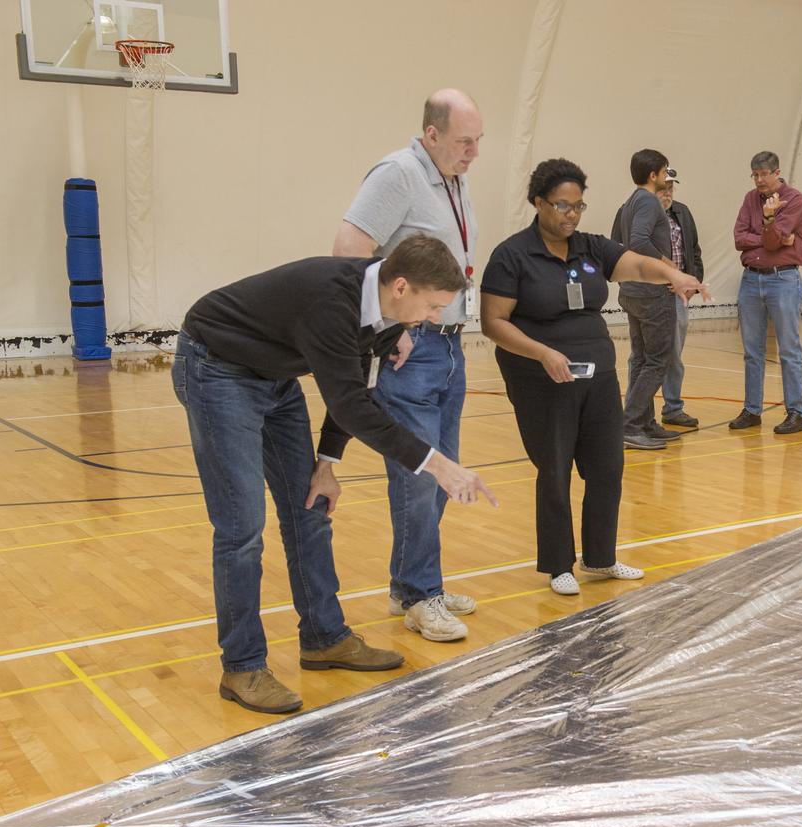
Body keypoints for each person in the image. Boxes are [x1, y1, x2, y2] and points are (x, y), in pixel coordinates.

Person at [174, 234, 496, 714]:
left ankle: (324, 638)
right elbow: (351, 404)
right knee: (242, 527)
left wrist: (327, 465)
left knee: (310, 506)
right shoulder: (331, 303)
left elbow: (356, 389)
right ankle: (242, 666)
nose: (433, 319)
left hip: (274, 374)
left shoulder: (388, 314)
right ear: (402, 286)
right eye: (432, 307)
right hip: (217, 369)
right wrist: (439, 465)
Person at [480, 158, 708, 595]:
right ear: (538, 203)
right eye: (562, 205)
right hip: (542, 376)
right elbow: (494, 322)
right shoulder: (512, 255)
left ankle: (601, 557)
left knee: (607, 467)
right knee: (555, 469)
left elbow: (638, 265)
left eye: (578, 206)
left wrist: (675, 275)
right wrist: (543, 353)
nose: (571, 215)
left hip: (597, 373)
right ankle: (558, 563)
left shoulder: (590, 247)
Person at [333, 89, 483, 643]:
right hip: (410, 347)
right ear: (432, 133)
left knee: (444, 476)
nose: (473, 152)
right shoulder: (396, 174)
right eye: (465, 141)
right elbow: (348, 252)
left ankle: (413, 585)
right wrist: (389, 327)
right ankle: (421, 595)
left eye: (478, 141)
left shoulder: (452, 177)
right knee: (420, 476)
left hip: (448, 345)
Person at [730, 150, 802, 434]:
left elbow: (776, 244)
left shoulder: (795, 199)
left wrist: (767, 224)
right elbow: (739, 238)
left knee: (788, 349)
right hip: (751, 279)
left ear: (777, 172)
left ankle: (796, 413)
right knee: (752, 350)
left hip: (783, 279)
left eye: (764, 174)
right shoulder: (750, 199)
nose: (759, 180)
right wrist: (769, 235)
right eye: (755, 175)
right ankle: (752, 410)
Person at [611, 149, 681, 450]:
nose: (667, 177)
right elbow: (638, 240)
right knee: (657, 361)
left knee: (641, 358)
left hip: (633, 289)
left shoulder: (629, 203)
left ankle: (644, 421)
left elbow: (621, 241)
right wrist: (667, 266)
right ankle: (630, 424)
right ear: (653, 175)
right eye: (665, 172)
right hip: (652, 292)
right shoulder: (649, 202)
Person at [656, 175, 704, 429]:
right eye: (662, 188)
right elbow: (623, 251)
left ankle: (673, 407)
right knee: (643, 355)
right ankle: (636, 412)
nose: (667, 192)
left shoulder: (682, 212)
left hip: (678, 296)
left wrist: (693, 285)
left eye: (671, 188)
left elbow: (694, 250)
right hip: (650, 295)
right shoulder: (635, 213)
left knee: (674, 352)